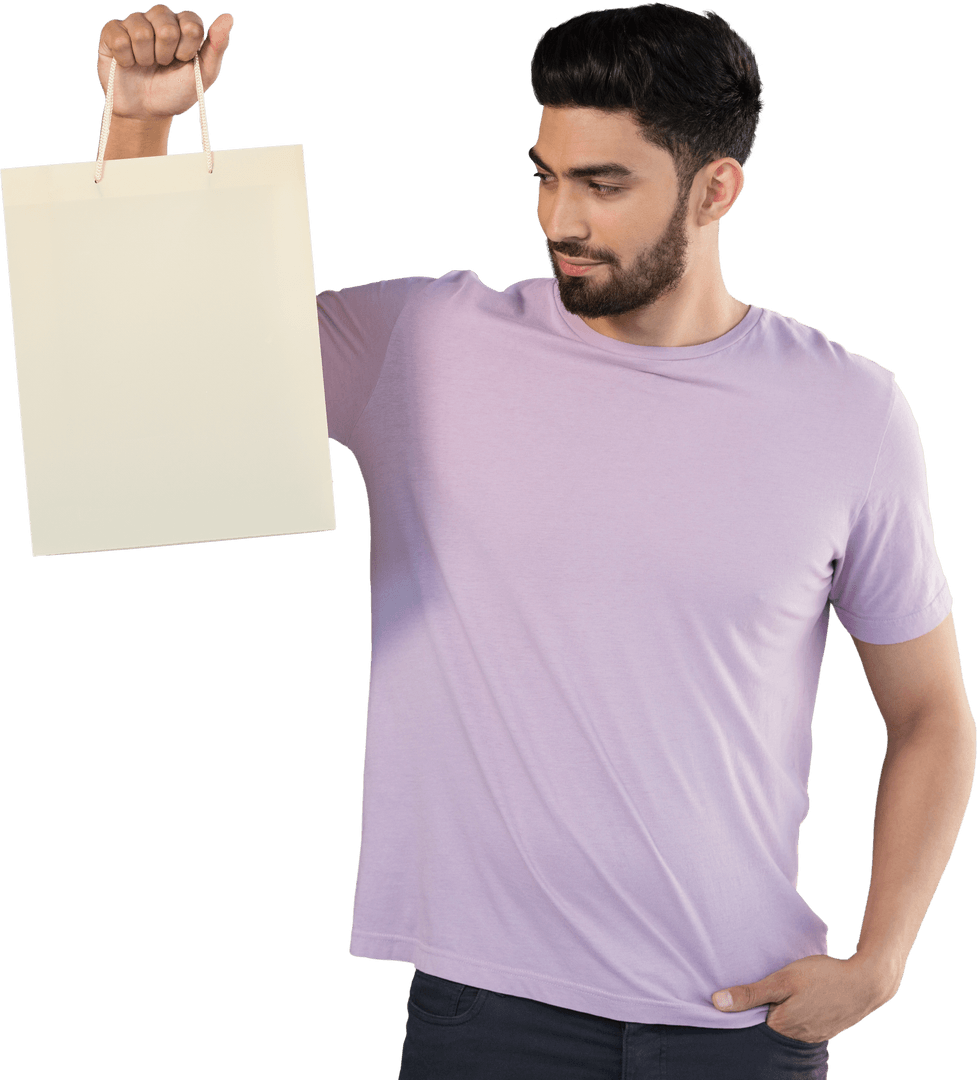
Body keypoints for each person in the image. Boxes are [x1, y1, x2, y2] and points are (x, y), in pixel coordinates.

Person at [96, 5, 975, 1078]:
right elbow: (154, 356)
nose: (559, 217)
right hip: (489, 1018)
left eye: (603, 185)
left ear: (713, 190)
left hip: (744, 1025)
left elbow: (930, 713)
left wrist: (880, 961)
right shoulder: (422, 345)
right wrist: (138, 127)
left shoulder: (851, 411)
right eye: (544, 175)